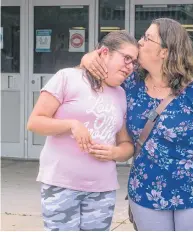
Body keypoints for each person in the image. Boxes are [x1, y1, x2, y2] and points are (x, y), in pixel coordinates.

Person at [80, 18, 193, 231]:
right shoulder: (130, 82)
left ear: (165, 51)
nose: (139, 42)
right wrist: (88, 58)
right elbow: (95, 70)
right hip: (146, 192)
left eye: (147, 38)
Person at [27, 31, 139, 231]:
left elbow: (126, 145)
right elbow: (35, 122)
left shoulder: (121, 93)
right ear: (104, 53)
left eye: (134, 62)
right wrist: (72, 125)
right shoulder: (67, 77)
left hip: (102, 189)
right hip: (61, 184)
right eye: (126, 58)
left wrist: (115, 153)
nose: (130, 67)